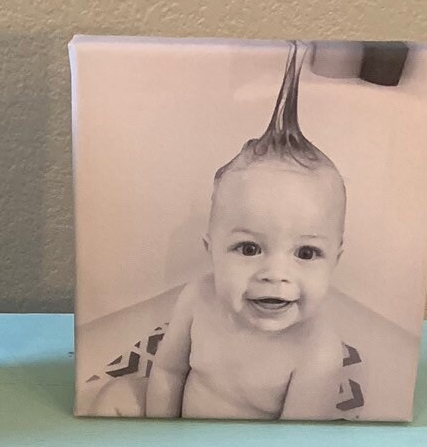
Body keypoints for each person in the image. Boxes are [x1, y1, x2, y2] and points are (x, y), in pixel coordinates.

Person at [146, 45, 347, 422]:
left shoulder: (318, 352)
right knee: (111, 398)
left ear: (335, 259)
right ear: (212, 251)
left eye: (305, 253)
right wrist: (160, 443)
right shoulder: (197, 299)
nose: (274, 273)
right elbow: (168, 374)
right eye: (249, 247)